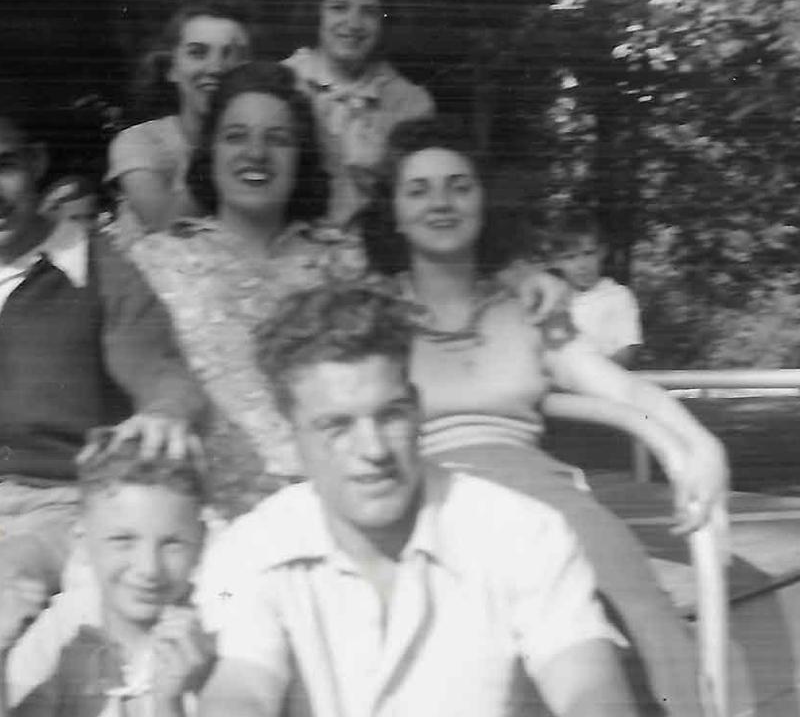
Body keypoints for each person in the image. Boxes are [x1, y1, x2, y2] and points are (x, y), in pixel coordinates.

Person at [359, 117, 728, 716]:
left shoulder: (527, 307)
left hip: (545, 503)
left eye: (459, 186)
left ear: (482, 201)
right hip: (428, 505)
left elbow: (622, 388)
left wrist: (702, 444)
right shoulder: (372, 314)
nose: (441, 202)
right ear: (395, 213)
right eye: (418, 190)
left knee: (641, 614)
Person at [197, 285, 637, 717]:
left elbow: (587, 687)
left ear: (417, 408)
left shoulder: (523, 533)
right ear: (291, 433)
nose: (373, 449)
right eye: (337, 426)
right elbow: (243, 688)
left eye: (391, 415)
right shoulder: (252, 549)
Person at [0, 92, 205, 594]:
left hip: (48, 505)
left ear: (36, 163)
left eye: (4, 166)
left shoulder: (94, 265)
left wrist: (165, 410)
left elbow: (157, 366)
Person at [128, 60, 353, 515]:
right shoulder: (156, 261)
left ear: (302, 157)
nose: (256, 153)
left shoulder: (343, 263)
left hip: (331, 502)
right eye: (236, 136)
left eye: (278, 139)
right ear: (210, 153)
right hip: (199, 509)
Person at [0, 430, 213, 717]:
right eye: (123, 540)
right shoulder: (63, 630)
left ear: (201, 542)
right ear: (83, 540)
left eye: (172, 543)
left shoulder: (214, 639)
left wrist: (169, 702)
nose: (149, 568)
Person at [284, 0, 434, 227]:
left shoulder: (410, 103)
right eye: (339, 8)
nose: (353, 23)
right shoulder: (283, 83)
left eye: (369, 12)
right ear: (317, 12)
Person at [106, 0, 256, 244]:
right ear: (172, 68)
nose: (215, 68)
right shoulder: (139, 142)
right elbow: (166, 231)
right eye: (198, 53)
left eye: (229, 54)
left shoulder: (263, 145)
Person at [548, 210, 642, 368]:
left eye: (588, 253)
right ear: (556, 261)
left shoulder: (618, 296)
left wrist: (590, 374)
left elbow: (626, 351)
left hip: (603, 380)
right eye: (570, 257)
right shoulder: (551, 300)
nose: (582, 265)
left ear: (602, 252)